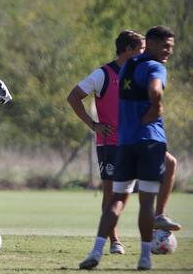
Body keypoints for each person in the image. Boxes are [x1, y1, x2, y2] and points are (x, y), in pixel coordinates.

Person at [79, 25, 175, 270]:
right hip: (150, 141)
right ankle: (144, 257)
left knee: (116, 199)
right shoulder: (154, 67)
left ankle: (97, 251)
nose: (168, 52)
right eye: (165, 46)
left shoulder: (127, 68)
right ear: (151, 44)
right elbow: (155, 90)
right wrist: (157, 107)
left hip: (124, 142)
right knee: (146, 202)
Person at [68, 30, 145, 255]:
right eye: (140, 50)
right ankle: (114, 240)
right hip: (110, 144)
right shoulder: (103, 74)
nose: (143, 55)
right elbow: (73, 97)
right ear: (128, 50)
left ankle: (157, 232)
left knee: (137, 190)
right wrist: (93, 125)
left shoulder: (140, 73)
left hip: (136, 143)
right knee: (111, 194)